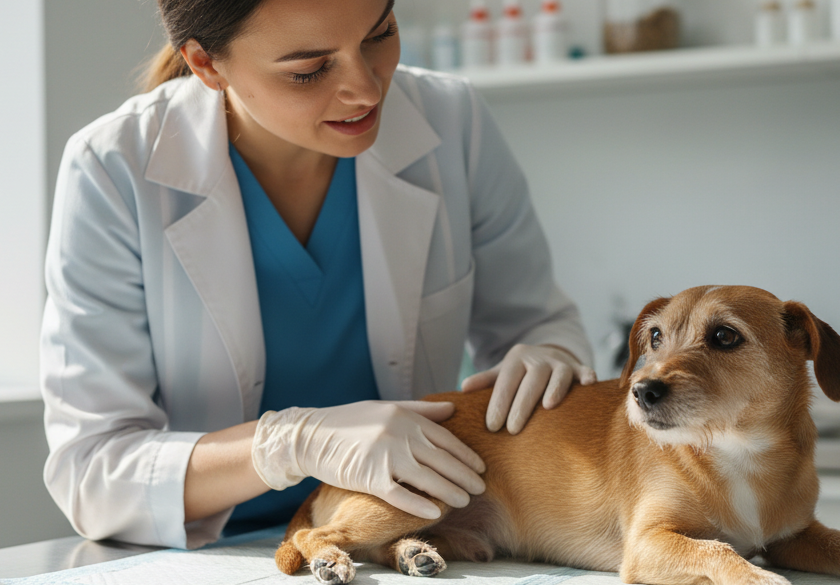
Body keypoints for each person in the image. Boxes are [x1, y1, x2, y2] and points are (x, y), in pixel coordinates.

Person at [40, 0, 595, 550]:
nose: (368, 89)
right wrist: (288, 445)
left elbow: (536, 322)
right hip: (219, 551)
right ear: (206, 65)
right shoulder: (112, 168)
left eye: (380, 34)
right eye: (309, 70)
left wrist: (551, 356)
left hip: (415, 531)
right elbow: (91, 474)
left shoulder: (453, 119)